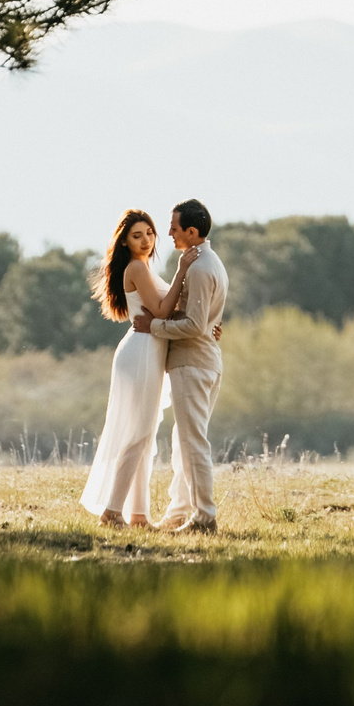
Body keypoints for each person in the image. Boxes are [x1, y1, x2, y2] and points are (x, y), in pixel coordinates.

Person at [79, 209, 180, 526]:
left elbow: (168, 312)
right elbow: (162, 309)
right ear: (124, 242)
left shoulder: (145, 267)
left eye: (149, 233)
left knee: (144, 435)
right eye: (137, 235)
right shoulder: (137, 267)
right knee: (137, 435)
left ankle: (139, 515)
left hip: (145, 350)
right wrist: (184, 271)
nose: (146, 240)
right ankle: (112, 511)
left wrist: (203, 324)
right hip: (141, 352)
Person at [134, 199, 228, 533]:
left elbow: (195, 326)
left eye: (174, 227)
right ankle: (179, 513)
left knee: (192, 443)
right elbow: (204, 320)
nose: (169, 233)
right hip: (200, 362)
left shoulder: (201, 268)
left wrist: (153, 327)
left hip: (194, 363)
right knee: (183, 442)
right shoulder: (205, 262)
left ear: (192, 231)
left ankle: (204, 517)